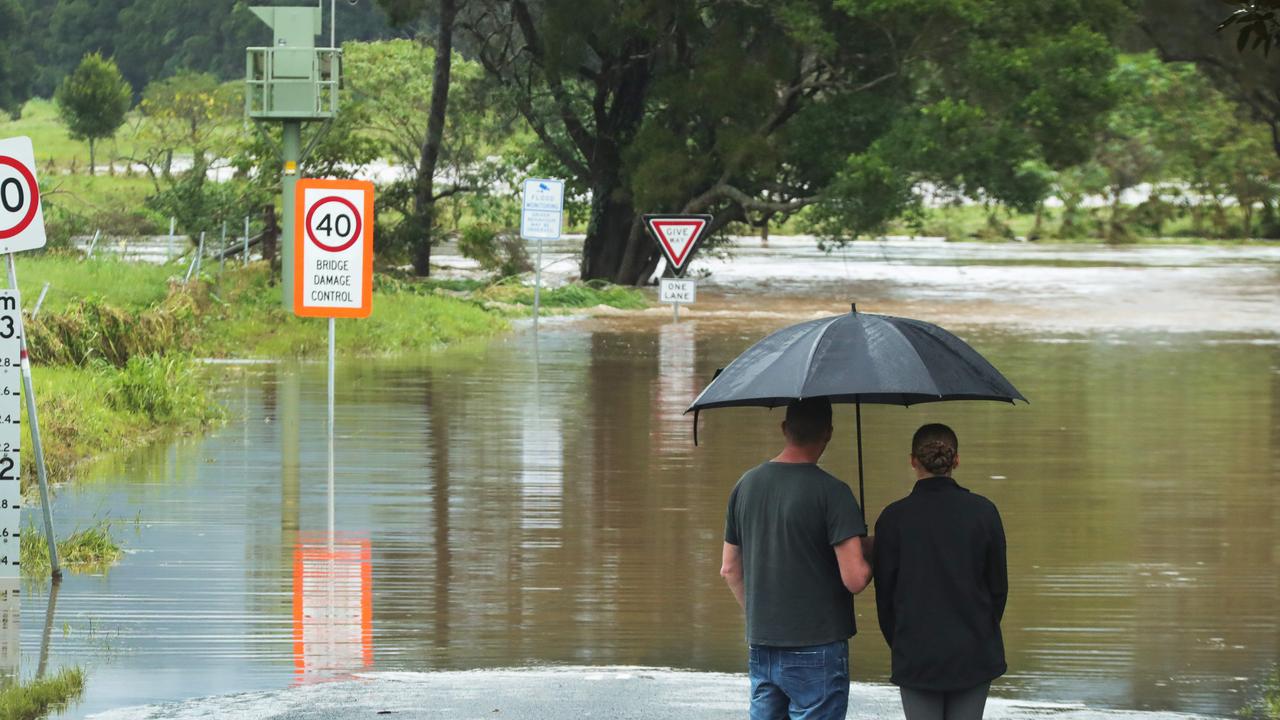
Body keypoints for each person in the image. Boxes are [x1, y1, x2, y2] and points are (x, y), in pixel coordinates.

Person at [720, 397, 873, 720]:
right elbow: (855, 578)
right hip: (818, 645)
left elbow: (730, 568)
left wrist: (760, 614)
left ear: (784, 428)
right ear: (829, 432)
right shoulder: (833, 492)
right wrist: (870, 552)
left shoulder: (745, 485)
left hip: (762, 643)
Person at [873, 423, 1008, 720]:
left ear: (913, 461)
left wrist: (902, 644)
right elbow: (998, 589)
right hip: (973, 650)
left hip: (916, 652)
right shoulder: (984, 512)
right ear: (956, 460)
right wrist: (980, 630)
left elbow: (885, 598)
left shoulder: (892, 519)